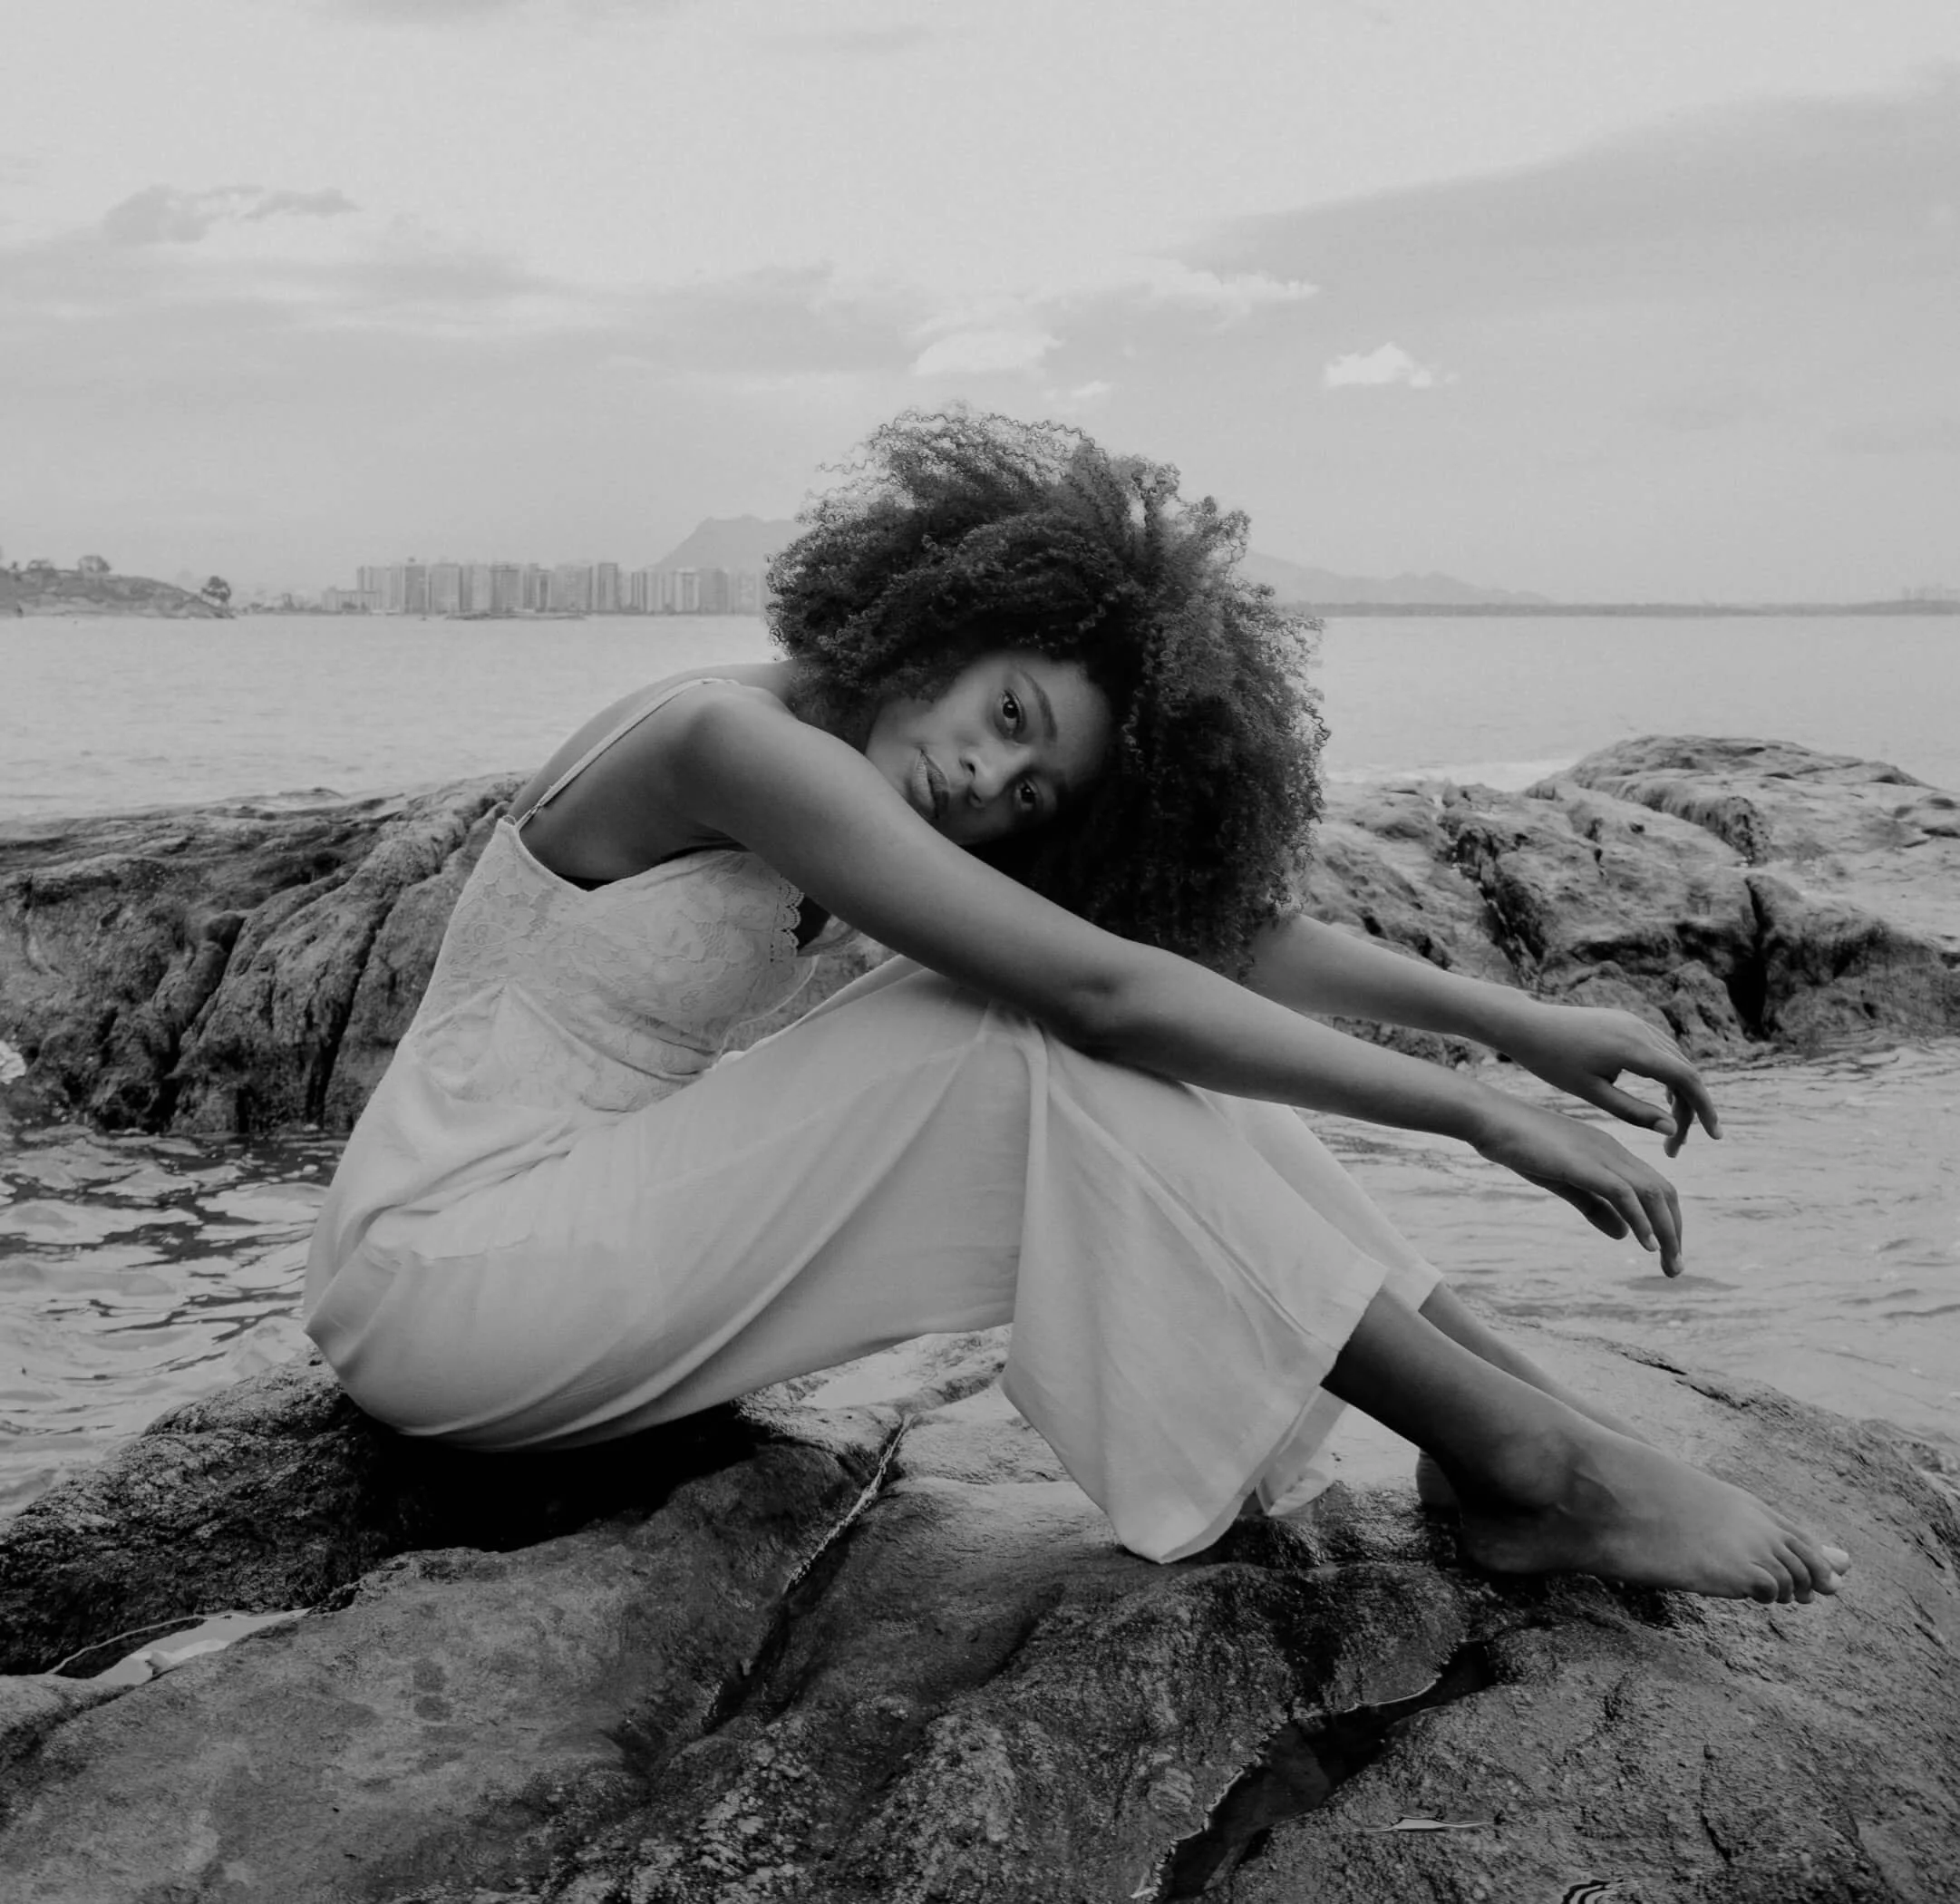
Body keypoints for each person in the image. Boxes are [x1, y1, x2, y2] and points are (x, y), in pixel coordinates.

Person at [304, 411, 1847, 1604]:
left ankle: (1514, 1420)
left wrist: (1512, 1022)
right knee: (1000, 1029)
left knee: (1026, 1020)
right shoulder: (730, 742)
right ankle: (1525, 1459)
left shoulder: (845, 774)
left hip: (581, 1244)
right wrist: (1476, 1112)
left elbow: (1199, 942)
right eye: (1005, 715)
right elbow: (1103, 989)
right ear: (936, 614)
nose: (985, 778)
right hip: (450, 1275)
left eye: (1031, 788)